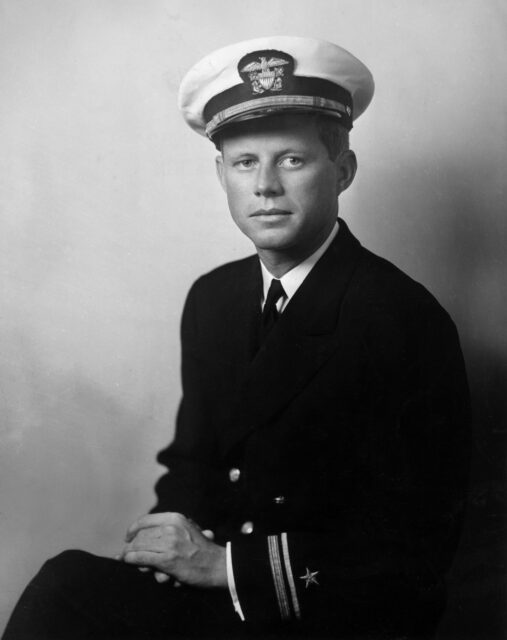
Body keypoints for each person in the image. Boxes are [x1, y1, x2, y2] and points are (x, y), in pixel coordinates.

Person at [3, 36, 470, 640]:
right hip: (217, 595)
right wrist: (165, 549)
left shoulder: (402, 318)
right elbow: (194, 463)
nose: (266, 186)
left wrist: (223, 565)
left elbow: (415, 551)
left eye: (293, 160)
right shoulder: (214, 299)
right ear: (221, 173)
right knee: (66, 587)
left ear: (344, 171)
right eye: (246, 162)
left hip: (328, 612)